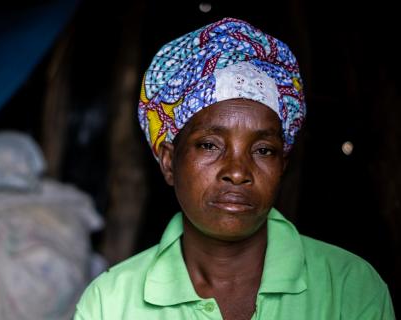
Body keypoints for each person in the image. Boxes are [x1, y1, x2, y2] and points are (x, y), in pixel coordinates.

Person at [74, 17, 395, 319]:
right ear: (169, 161)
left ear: (282, 165)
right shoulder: (112, 302)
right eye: (210, 145)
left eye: (263, 150)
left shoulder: (348, 287)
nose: (238, 171)